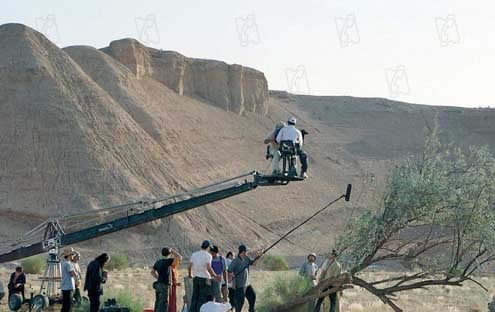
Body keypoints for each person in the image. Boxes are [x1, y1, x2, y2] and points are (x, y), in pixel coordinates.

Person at [188, 240, 222, 312]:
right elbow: (209, 268)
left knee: (195, 297)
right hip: (205, 279)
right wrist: (216, 276)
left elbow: (189, 267)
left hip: (196, 277)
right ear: (208, 247)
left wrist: (190, 275)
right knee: (202, 298)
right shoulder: (208, 255)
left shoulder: (194, 254)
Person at [227, 245, 262, 312]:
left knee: (253, 296)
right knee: (240, 303)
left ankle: (251, 310)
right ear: (242, 251)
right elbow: (229, 271)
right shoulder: (235, 261)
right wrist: (232, 277)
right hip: (239, 286)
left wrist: (258, 257)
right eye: (246, 251)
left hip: (247, 284)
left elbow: (253, 263)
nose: (246, 252)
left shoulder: (246, 258)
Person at [151, 247, 182, 312]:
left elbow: (152, 272)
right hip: (165, 285)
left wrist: (158, 278)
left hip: (158, 284)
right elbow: (179, 257)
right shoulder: (168, 261)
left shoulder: (158, 262)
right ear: (169, 254)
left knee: (158, 302)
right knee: (163, 304)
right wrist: (172, 251)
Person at [60, 247, 77, 312]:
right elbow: (72, 274)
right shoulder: (68, 264)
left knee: (65, 306)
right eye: (72, 254)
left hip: (65, 287)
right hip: (68, 288)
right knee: (68, 307)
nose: (73, 256)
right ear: (69, 255)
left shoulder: (64, 263)